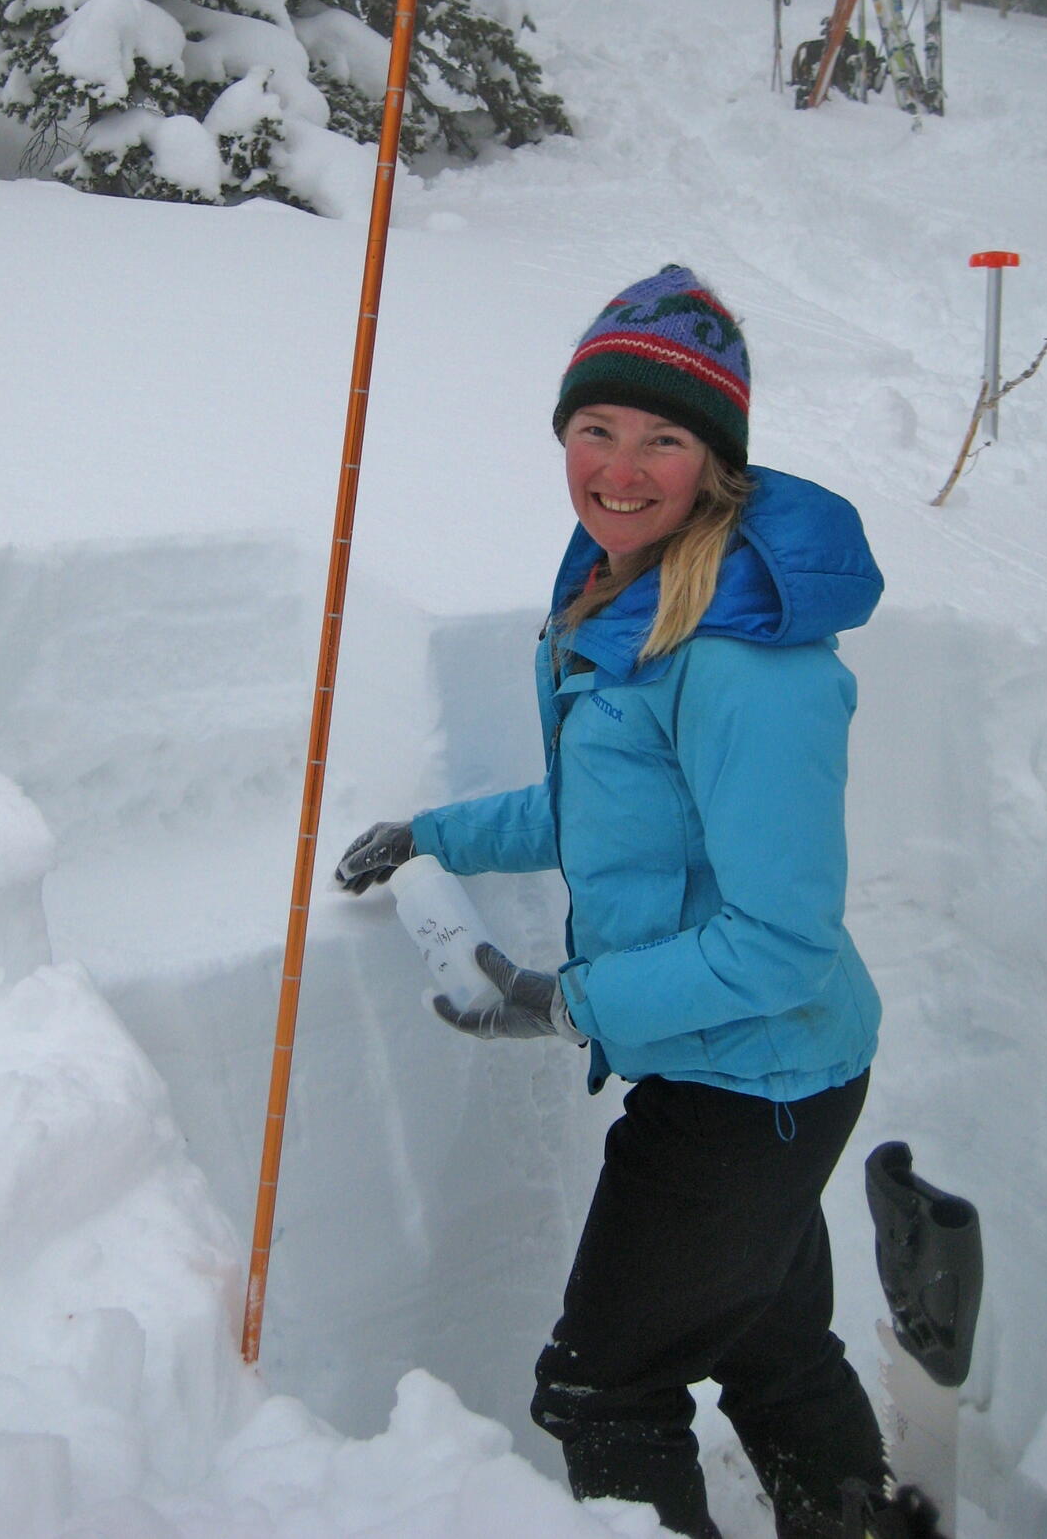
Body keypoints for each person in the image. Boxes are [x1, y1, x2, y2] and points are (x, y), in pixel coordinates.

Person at [335, 266, 894, 1539]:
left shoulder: (747, 662)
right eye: (596, 428)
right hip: (755, 1077)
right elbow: (607, 811)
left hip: (751, 1084)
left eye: (663, 438)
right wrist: (434, 832)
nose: (621, 466)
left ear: (720, 460)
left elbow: (781, 942)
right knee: (772, 1345)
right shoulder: (625, 594)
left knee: (602, 1384)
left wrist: (560, 998)